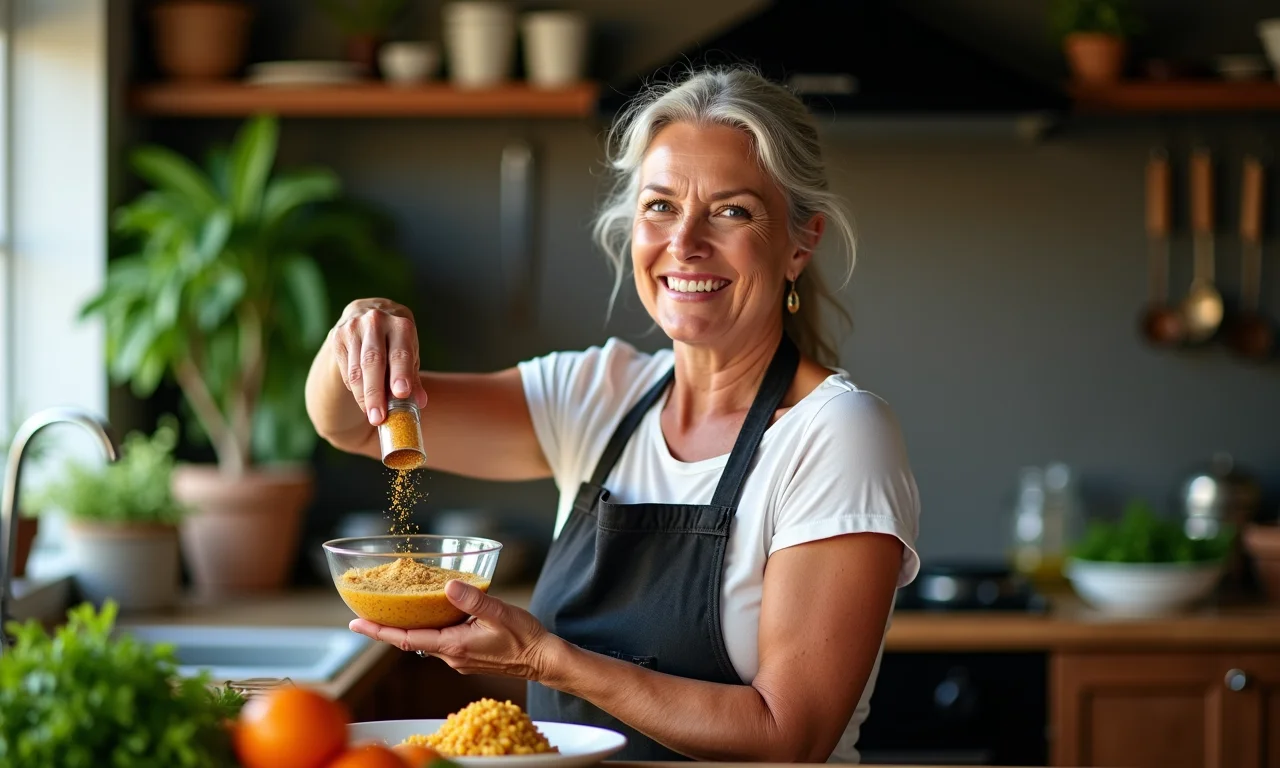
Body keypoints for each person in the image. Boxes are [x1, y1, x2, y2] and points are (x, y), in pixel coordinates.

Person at [305, 65, 920, 764]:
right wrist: (359, 332)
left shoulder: (836, 435)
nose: (685, 242)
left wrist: (545, 658)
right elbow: (350, 424)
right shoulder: (599, 393)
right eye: (660, 206)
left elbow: (790, 735)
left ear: (799, 243)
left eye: (732, 210)